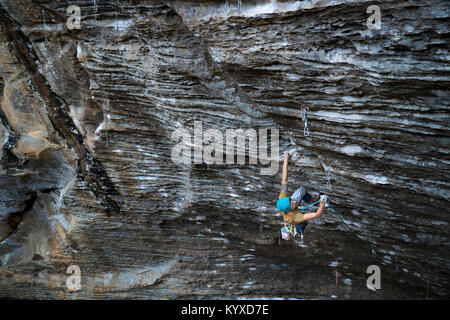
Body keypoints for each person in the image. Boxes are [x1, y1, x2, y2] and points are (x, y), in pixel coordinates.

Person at [276, 151, 327, 234]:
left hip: (292, 210)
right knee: (303, 222)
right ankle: (299, 230)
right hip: (296, 219)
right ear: (289, 209)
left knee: (301, 190)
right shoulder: (296, 218)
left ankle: (311, 200)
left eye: (291, 200)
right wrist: (323, 202)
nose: (294, 201)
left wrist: (286, 159)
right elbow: (317, 215)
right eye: (292, 203)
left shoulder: (283, 198)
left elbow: (284, 179)